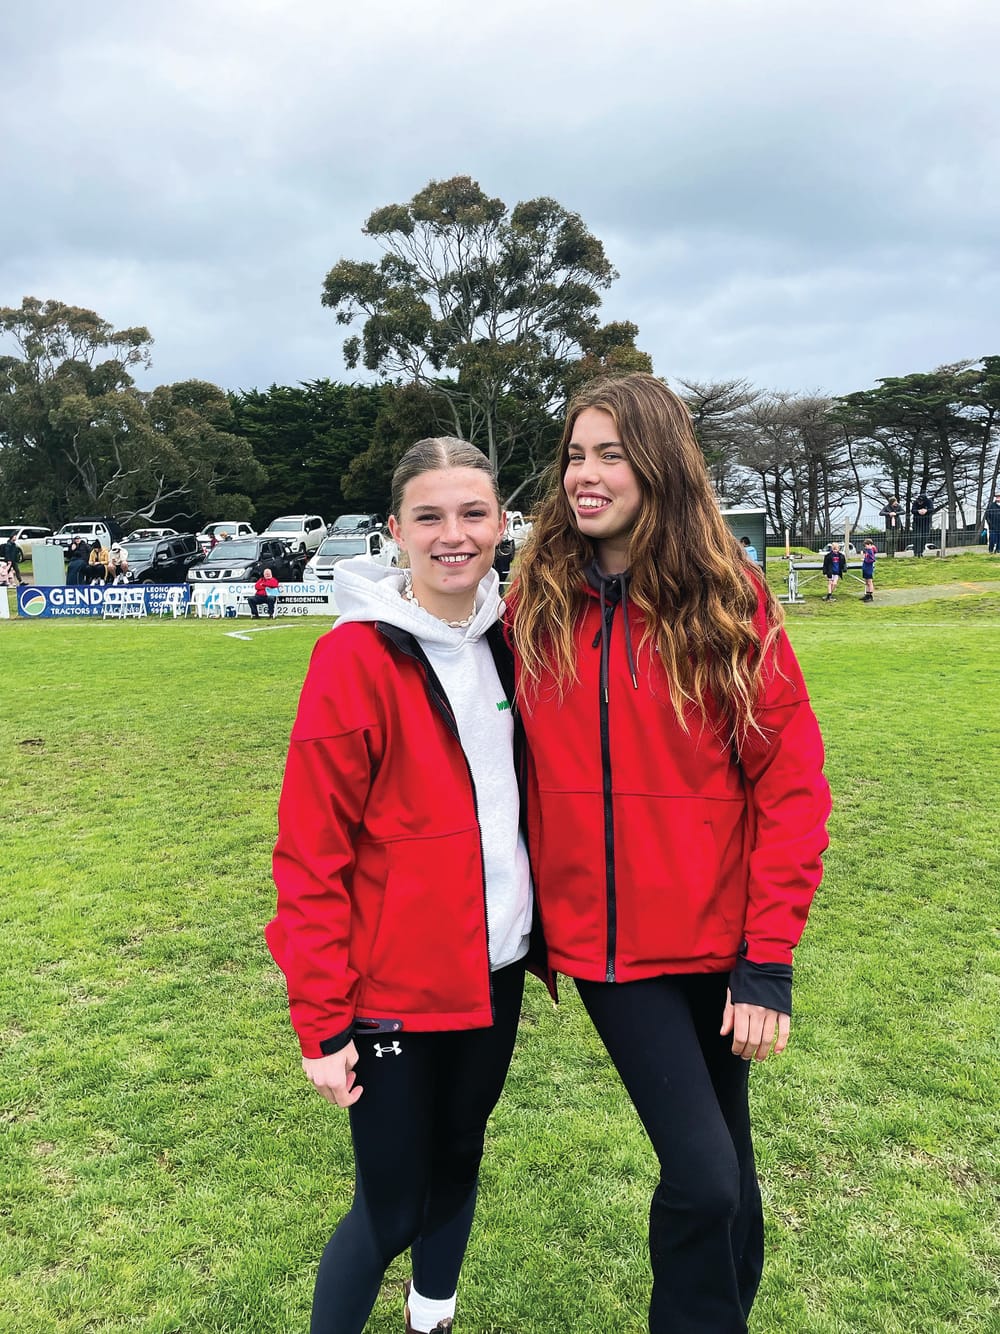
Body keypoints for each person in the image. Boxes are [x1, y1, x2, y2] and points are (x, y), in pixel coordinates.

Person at [509, 373, 830, 1334]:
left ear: (660, 467)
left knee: (728, 1165)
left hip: (722, 941)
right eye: (575, 455)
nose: (585, 474)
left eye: (610, 455)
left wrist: (766, 961)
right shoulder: (534, 604)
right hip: (610, 948)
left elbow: (791, 788)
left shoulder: (728, 602)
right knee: (703, 1174)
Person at [266, 437, 535, 1334]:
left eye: (473, 513)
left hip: (495, 969)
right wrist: (321, 1022)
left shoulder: (514, 638)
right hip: (392, 992)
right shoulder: (352, 658)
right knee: (388, 1208)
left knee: (459, 1160)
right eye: (430, 516)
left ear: (500, 523)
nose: (453, 534)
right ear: (396, 530)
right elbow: (310, 856)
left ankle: (432, 1319)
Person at [911, 491, 934, 555]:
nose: (919, 503)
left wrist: (926, 511)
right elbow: (913, 510)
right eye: (919, 501)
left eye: (921, 502)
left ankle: (921, 551)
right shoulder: (915, 502)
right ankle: (916, 552)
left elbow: (932, 509)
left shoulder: (929, 502)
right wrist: (918, 511)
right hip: (917, 522)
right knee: (916, 538)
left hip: (926, 522)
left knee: (924, 538)